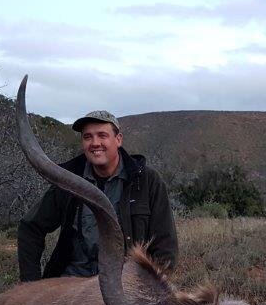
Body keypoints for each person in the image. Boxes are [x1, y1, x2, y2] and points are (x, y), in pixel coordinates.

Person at [18, 110, 178, 281]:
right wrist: (30, 282)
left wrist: (150, 287)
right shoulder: (68, 179)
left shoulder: (146, 180)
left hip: (126, 286)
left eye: (102, 135)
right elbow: (31, 227)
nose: (95, 143)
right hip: (72, 283)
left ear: (118, 140)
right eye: (88, 137)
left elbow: (165, 246)